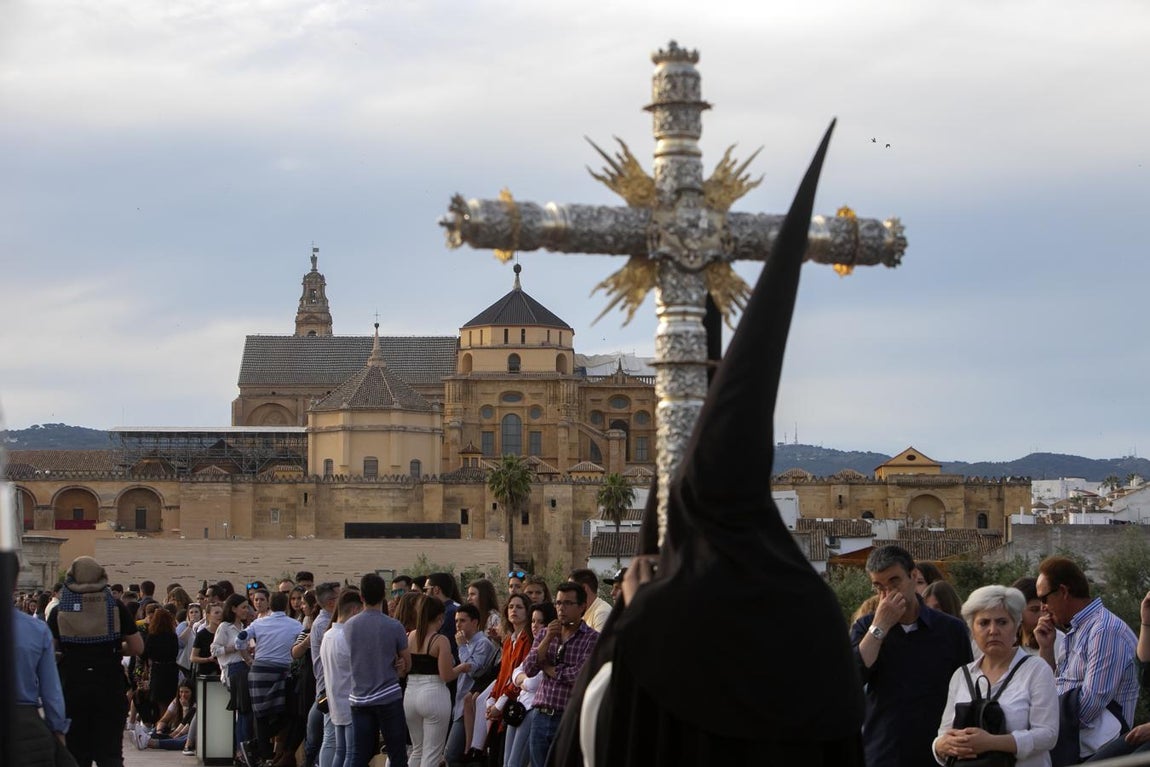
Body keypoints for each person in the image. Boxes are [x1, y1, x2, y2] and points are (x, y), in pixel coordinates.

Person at [852, 545, 972, 767]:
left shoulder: (950, 630)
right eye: (879, 586)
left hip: (937, 754)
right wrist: (880, 627)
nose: (887, 594)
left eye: (894, 581)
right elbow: (854, 678)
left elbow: (967, 691)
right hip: (883, 753)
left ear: (914, 575)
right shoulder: (865, 628)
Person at [932, 586, 1058, 767]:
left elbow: (1048, 735)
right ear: (972, 630)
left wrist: (990, 742)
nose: (993, 630)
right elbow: (943, 734)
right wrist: (940, 745)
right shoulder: (962, 675)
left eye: (1002, 622)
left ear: (1016, 626)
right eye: (983, 623)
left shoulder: (1036, 670)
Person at [1034, 555, 1138, 762]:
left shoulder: (1104, 631)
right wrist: (1046, 648)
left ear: (1063, 591)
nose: (1042, 607)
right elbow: (1053, 687)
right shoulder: (1076, 631)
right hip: (1076, 745)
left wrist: (1041, 723)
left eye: (1044, 598)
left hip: (1101, 751)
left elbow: (1088, 706)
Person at [48, 555, 144, 767]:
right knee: (110, 755)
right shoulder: (116, 607)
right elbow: (138, 647)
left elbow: (50, 651)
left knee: (75, 754)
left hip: (72, 687)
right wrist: (116, 648)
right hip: (109, 687)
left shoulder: (59, 610)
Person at [522, 582, 599, 767]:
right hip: (540, 715)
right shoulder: (546, 634)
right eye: (558, 603)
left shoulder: (591, 638)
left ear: (582, 607)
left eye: (567, 603)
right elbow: (529, 667)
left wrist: (548, 669)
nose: (561, 609)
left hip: (567, 718)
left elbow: (578, 675)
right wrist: (548, 638)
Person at [344, 573, 411, 767]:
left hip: (359, 697)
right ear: (383, 595)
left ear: (362, 598)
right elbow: (406, 663)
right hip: (388, 695)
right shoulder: (394, 626)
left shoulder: (349, 626)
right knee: (397, 753)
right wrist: (399, 667)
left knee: (359, 754)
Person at [11, 557, 70, 767]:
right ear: (15, 584)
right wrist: (57, 730)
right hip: (25, 726)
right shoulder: (36, 630)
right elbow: (51, 691)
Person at [237, 591, 302, 765]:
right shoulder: (296, 625)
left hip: (259, 671)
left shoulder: (259, 623)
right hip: (282, 672)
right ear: (287, 604)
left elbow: (240, 640)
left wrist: (248, 659)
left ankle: (262, 752)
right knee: (285, 712)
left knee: (261, 714)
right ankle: (261, 749)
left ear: (270, 605)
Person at [404, 596, 470, 767]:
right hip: (433, 693)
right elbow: (446, 675)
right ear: (440, 617)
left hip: (410, 694)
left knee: (417, 749)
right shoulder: (440, 640)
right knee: (432, 753)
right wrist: (462, 667)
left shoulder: (410, 636)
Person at [444, 604, 498, 764]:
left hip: (473, 707)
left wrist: (461, 647)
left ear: (475, 622)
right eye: (456, 621)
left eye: (462, 620)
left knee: (452, 754)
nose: (458, 625)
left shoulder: (482, 643)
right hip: (460, 705)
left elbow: (473, 670)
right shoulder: (465, 644)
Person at [319, 590, 365, 767]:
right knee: (351, 753)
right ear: (355, 610)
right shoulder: (346, 636)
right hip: (351, 701)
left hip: (335, 701)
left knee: (340, 750)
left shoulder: (328, 635)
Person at [213, 593, 254, 762]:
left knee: (246, 712)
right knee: (242, 711)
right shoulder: (225, 627)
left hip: (245, 668)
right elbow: (215, 650)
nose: (246, 610)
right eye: (243, 607)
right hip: (233, 669)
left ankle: (245, 747)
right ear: (234, 609)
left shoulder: (244, 627)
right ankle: (240, 749)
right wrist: (235, 648)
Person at [143, 607, 181, 718]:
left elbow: (145, 653)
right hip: (171, 669)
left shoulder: (152, 636)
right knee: (171, 698)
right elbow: (175, 652)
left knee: (159, 700)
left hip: (158, 669)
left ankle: (161, 721)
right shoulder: (173, 636)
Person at [1011, 576, 1043, 653]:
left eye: (1045, 609)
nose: (1042, 616)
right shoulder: (1009, 640)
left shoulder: (1057, 641)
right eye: (1034, 610)